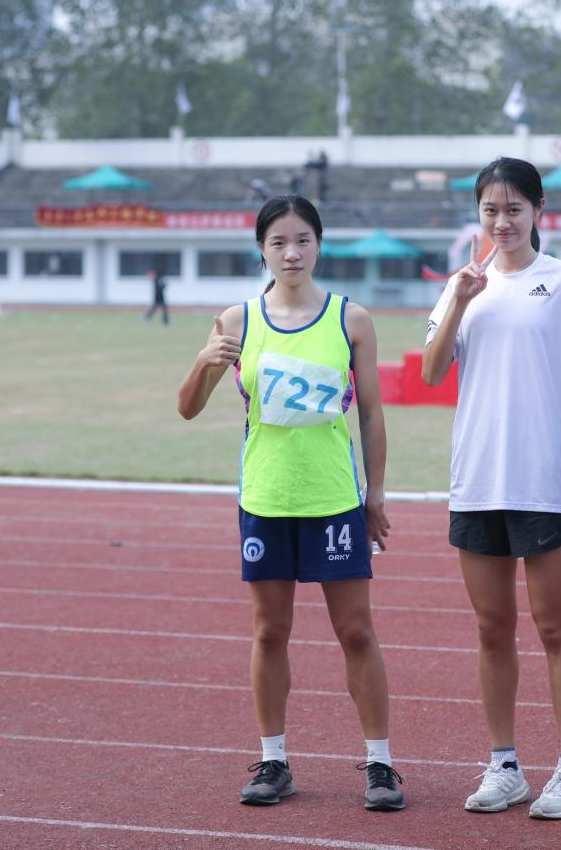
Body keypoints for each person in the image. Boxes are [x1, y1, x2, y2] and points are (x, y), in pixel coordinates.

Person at [177, 195, 404, 813]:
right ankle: (273, 759)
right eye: (278, 242)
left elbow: (373, 415)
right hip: (267, 499)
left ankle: (381, 764)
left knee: (356, 631)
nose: (292, 252)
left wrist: (375, 494)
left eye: (303, 240)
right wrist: (202, 361)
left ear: (319, 245)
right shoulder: (237, 320)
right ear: (262, 250)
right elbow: (188, 407)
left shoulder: (351, 320)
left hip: (333, 499)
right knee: (270, 631)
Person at [422, 156, 561, 820]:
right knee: (492, 628)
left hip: (545, 479)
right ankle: (504, 766)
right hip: (478, 478)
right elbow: (434, 371)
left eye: (514, 209)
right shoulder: (462, 285)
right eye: (491, 210)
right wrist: (461, 299)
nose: (503, 221)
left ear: (538, 210)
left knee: (555, 627)